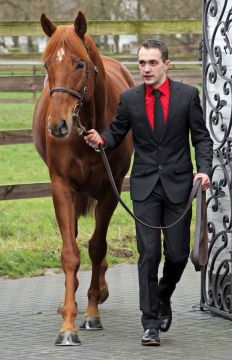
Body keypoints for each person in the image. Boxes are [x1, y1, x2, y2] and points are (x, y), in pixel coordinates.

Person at [84, 39, 213, 346]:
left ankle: (164, 295)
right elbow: (116, 132)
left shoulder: (187, 96)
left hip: (180, 186)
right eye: (141, 63)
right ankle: (150, 322)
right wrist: (100, 139)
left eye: (152, 63)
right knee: (149, 254)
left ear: (166, 64)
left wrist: (204, 169)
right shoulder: (129, 99)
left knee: (178, 255)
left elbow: (202, 139)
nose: (146, 69)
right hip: (144, 187)